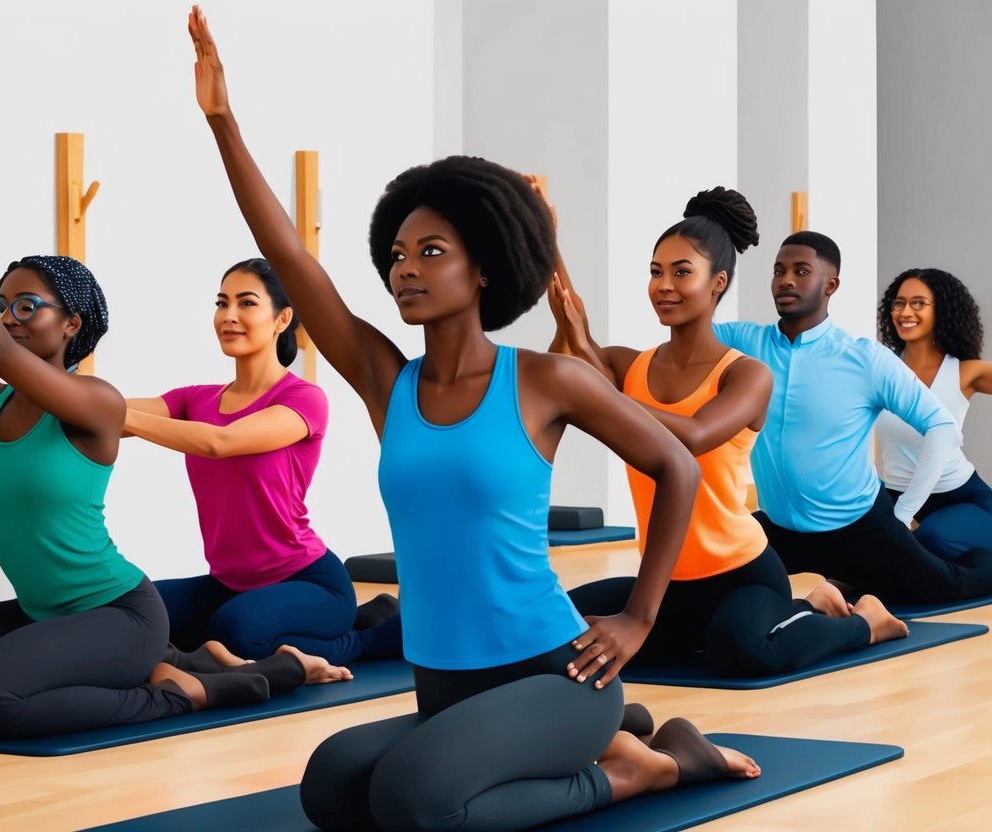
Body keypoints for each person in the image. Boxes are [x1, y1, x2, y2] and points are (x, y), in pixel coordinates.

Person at [186, 8, 760, 831]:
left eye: (431, 253)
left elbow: (676, 463)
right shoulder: (389, 381)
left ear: (483, 266)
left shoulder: (545, 381)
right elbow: (292, 262)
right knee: (331, 786)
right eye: (397, 255)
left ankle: (643, 767)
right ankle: (605, 750)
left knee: (414, 803)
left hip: (555, 676)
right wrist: (222, 124)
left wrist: (638, 614)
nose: (405, 270)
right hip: (443, 681)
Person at [0, 119, 298, 737]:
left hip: (120, 616)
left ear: (71, 326)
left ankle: (180, 692)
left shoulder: (96, 404)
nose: (7, 317)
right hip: (41, 616)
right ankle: (134, 674)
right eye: (1, 304)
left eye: (25, 306)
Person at [549, 186, 907, 677]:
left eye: (681, 272)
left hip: (742, 574)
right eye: (656, 272)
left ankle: (863, 620)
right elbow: (574, 335)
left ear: (717, 283)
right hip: (668, 581)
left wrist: (601, 390)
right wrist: (547, 240)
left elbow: (695, 435)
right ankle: (798, 605)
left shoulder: (747, 375)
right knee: (552, 631)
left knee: (740, 653)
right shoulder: (629, 369)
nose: (664, 285)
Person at [123, 256, 400, 668]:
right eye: (222, 303)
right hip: (230, 584)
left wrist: (110, 415)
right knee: (140, 616)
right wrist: (43, 392)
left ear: (282, 318)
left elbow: (220, 441)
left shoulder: (303, 398)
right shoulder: (195, 399)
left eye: (246, 303)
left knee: (236, 633)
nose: (228, 316)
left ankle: (367, 638)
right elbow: (110, 411)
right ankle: (355, 617)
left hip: (308, 581)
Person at [713, 231, 992, 603]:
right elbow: (690, 336)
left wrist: (902, 513)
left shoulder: (866, 359)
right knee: (710, 578)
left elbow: (941, 426)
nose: (786, 280)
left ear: (831, 284)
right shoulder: (744, 341)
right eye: (779, 270)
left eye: (801, 270)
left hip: (888, 516)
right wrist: (711, 248)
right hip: (787, 524)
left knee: (944, 580)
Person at [875, 268, 992, 561]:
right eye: (899, 303)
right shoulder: (881, 367)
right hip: (895, 492)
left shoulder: (965, 371)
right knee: (857, 545)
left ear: (942, 311)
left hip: (963, 497)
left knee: (932, 538)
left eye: (918, 303)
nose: (905, 312)